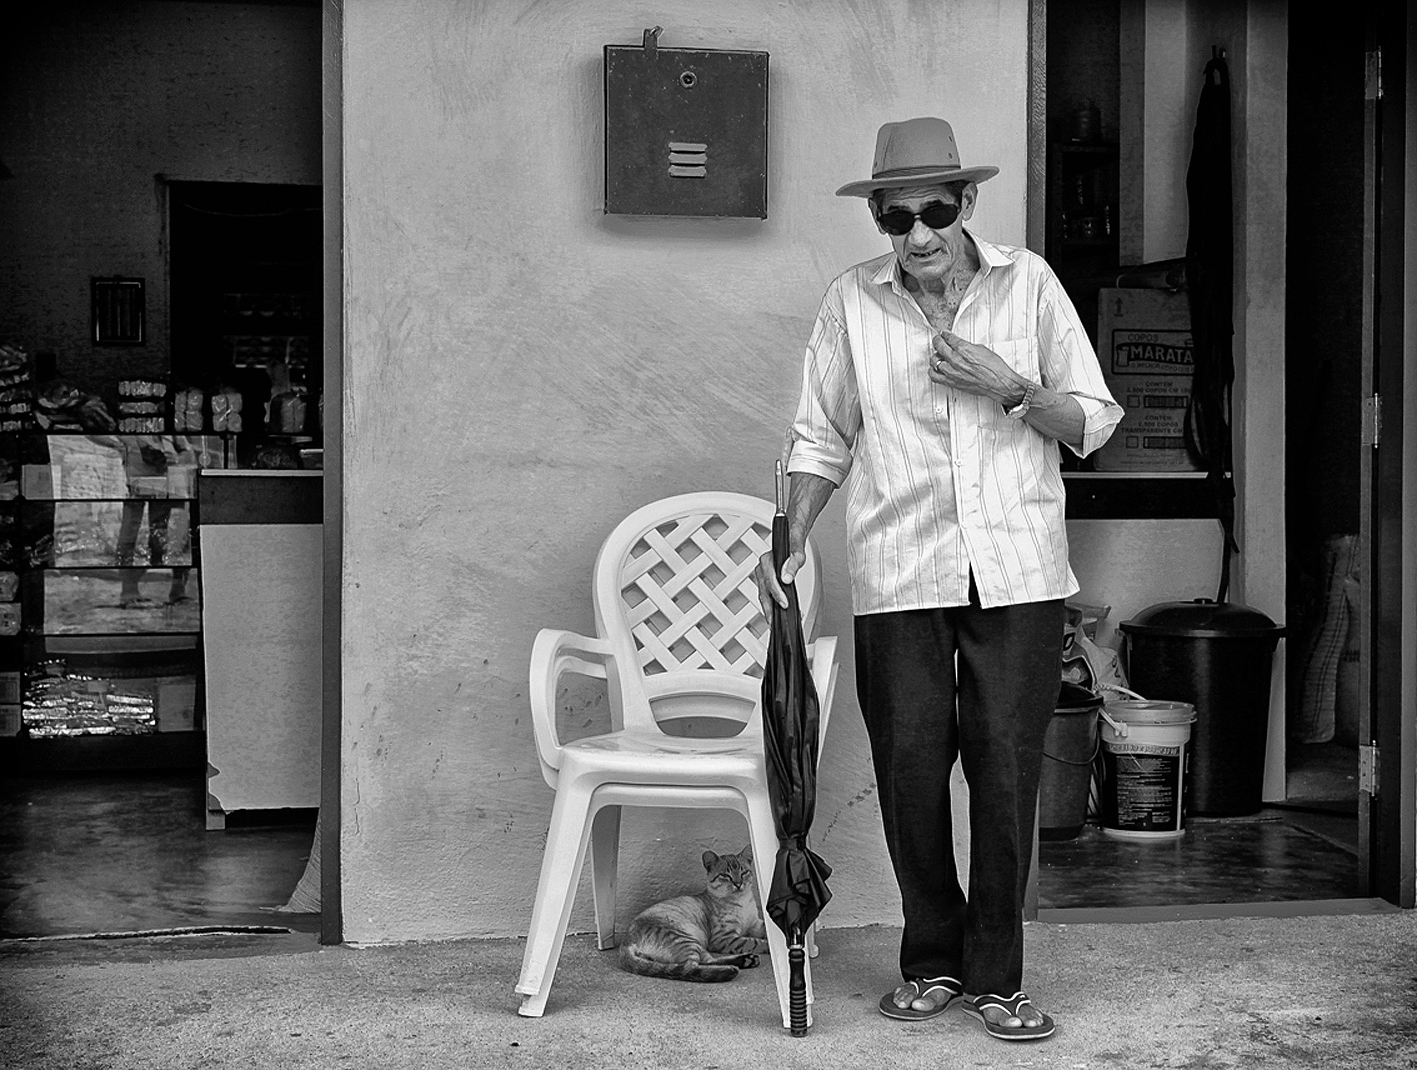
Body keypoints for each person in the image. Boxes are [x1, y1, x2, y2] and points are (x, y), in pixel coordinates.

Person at [755, 117, 1123, 1042]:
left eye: (935, 210)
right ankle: (930, 960)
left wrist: (1010, 386)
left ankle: (997, 976)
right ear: (878, 216)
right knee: (910, 770)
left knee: (1003, 774)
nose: (917, 234)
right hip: (899, 568)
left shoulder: (1027, 282)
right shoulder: (851, 302)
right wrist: (790, 540)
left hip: (1017, 570)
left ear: (968, 203)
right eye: (896, 216)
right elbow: (819, 435)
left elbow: (1095, 417)